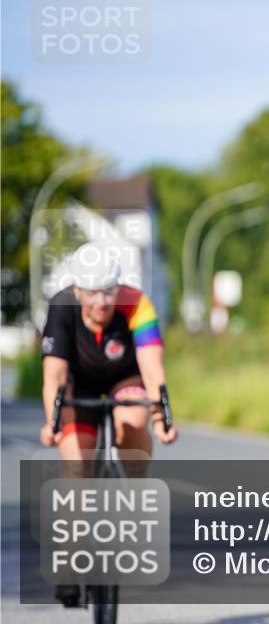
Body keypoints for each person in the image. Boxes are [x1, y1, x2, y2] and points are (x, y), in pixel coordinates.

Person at [39, 242, 178, 606]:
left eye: (109, 291)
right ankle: (70, 561)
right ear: (77, 290)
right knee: (76, 465)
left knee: (132, 420)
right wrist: (52, 423)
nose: (102, 301)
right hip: (79, 383)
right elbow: (54, 375)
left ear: (119, 286)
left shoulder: (137, 303)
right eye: (92, 293)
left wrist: (162, 418)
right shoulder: (62, 306)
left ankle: (135, 491)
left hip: (124, 376)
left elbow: (152, 367)